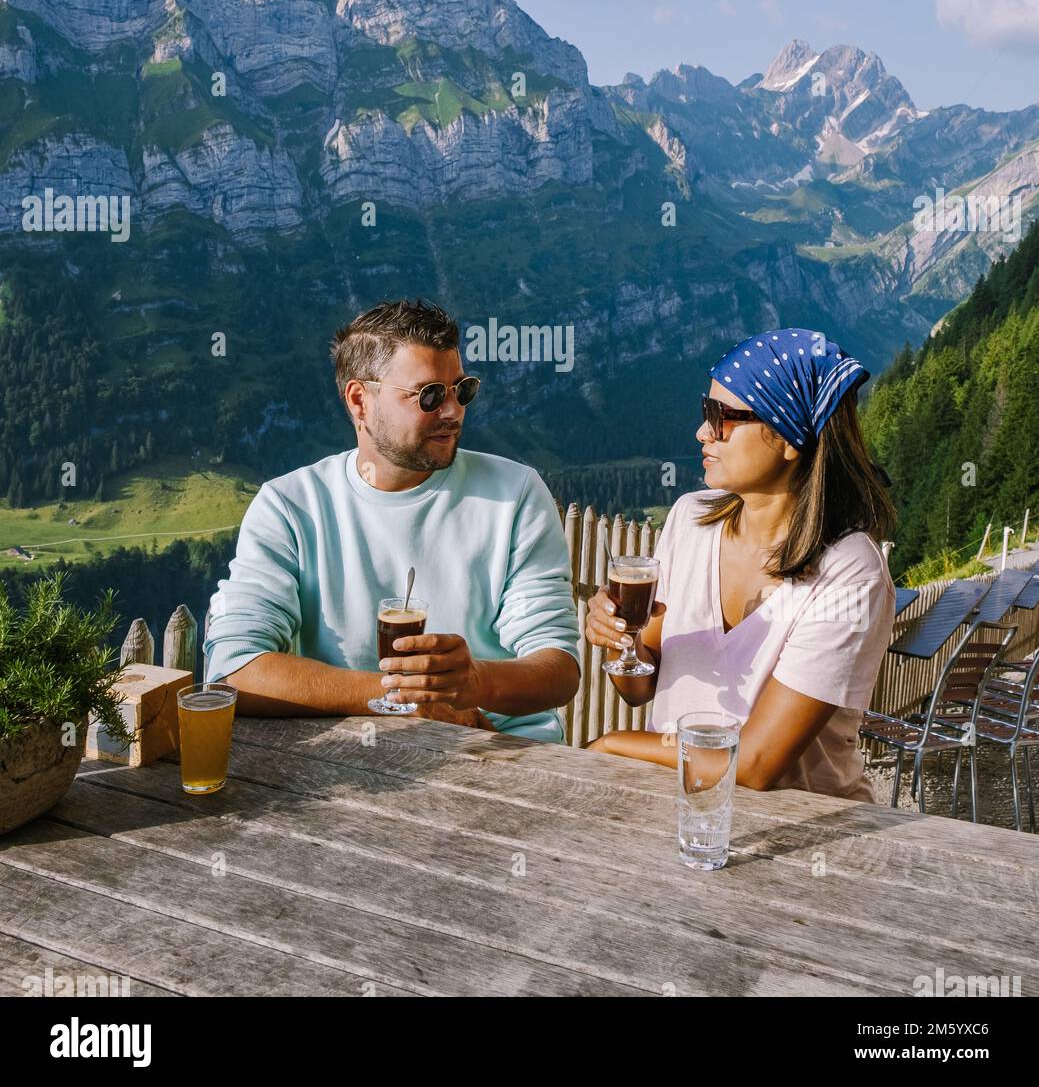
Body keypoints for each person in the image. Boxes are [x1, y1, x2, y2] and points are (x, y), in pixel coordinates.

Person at [204, 299, 580, 739]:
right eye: (430, 395)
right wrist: (406, 702)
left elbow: (558, 670)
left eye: (462, 390)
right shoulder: (289, 506)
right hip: (358, 765)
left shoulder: (516, 493)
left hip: (505, 752)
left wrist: (477, 681)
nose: (453, 411)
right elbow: (233, 670)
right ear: (360, 400)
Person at [585, 327, 896, 800]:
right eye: (705, 411)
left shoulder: (850, 572)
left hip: (797, 829)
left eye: (723, 417)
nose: (702, 432)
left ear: (792, 438)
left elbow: (755, 764)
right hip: (679, 801)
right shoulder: (690, 520)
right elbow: (639, 690)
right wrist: (619, 642)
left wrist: (614, 743)